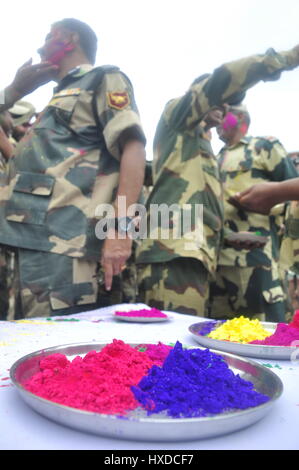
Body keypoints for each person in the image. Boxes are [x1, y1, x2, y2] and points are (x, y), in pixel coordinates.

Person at [136, 44, 299, 317]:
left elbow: (197, 206)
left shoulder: (203, 151)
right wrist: (287, 58)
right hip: (173, 254)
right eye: (221, 98)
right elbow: (222, 79)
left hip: (198, 257)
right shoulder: (177, 118)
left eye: (229, 104)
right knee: (167, 349)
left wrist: (232, 237)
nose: (224, 106)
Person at [0, 18, 146, 320]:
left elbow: (133, 148)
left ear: (70, 38)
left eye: (48, 36)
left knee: (51, 350)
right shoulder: (50, 105)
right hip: (29, 241)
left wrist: (121, 230)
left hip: (66, 244)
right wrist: (13, 91)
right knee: (25, 345)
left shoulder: (103, 79)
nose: (40, 46)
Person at [208, 104, 298, 322]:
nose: (219, 120)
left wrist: (268, 206)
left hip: (257, 261)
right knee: (221, 335)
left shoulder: (264, 146)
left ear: (239, 117)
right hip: (219, 262)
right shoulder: (214, 158)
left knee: (266, 334)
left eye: (225, 114)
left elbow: (292, 196)